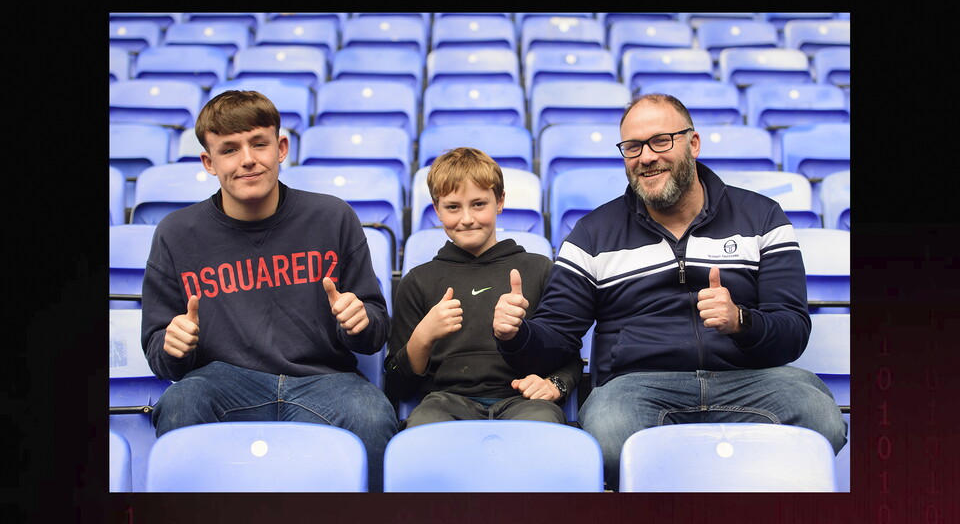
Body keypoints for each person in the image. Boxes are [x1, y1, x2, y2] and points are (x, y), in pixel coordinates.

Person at [493, 93, 848, 490]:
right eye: (633, 147)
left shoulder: (763, 217)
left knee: (820, 420)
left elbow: (793, 329)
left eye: (661, 141)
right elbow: (557, 336)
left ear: (692, 143)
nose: (646, 157)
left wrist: (740, 321)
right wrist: (516, 334)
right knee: (609, 436)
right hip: (639, 387)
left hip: (751, 380)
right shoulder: (592, 234)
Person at [140, 90, 397, 492]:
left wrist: (359, 323)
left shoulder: (333, 217)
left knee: (372, 415)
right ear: (209, 162)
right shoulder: (176, 234)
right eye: (229, 149)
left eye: (259, 143)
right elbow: (160, 355)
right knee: (180, 403)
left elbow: (376, 332)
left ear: (281, 148)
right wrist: (174, 346)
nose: (247, 159)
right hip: (222, 382)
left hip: (325, 380)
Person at [384, 147, 582, 428]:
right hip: (444, 402)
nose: (466, 218)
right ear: (437, 209)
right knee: (423, 426)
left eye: (479, 204)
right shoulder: (418, 281)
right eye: (453, 207)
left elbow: (569, 354)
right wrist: (423, 337)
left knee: (543, 425)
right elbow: (396, 385)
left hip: (525, 401)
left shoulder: (539, 270)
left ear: (499, 201)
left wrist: (555, 384)